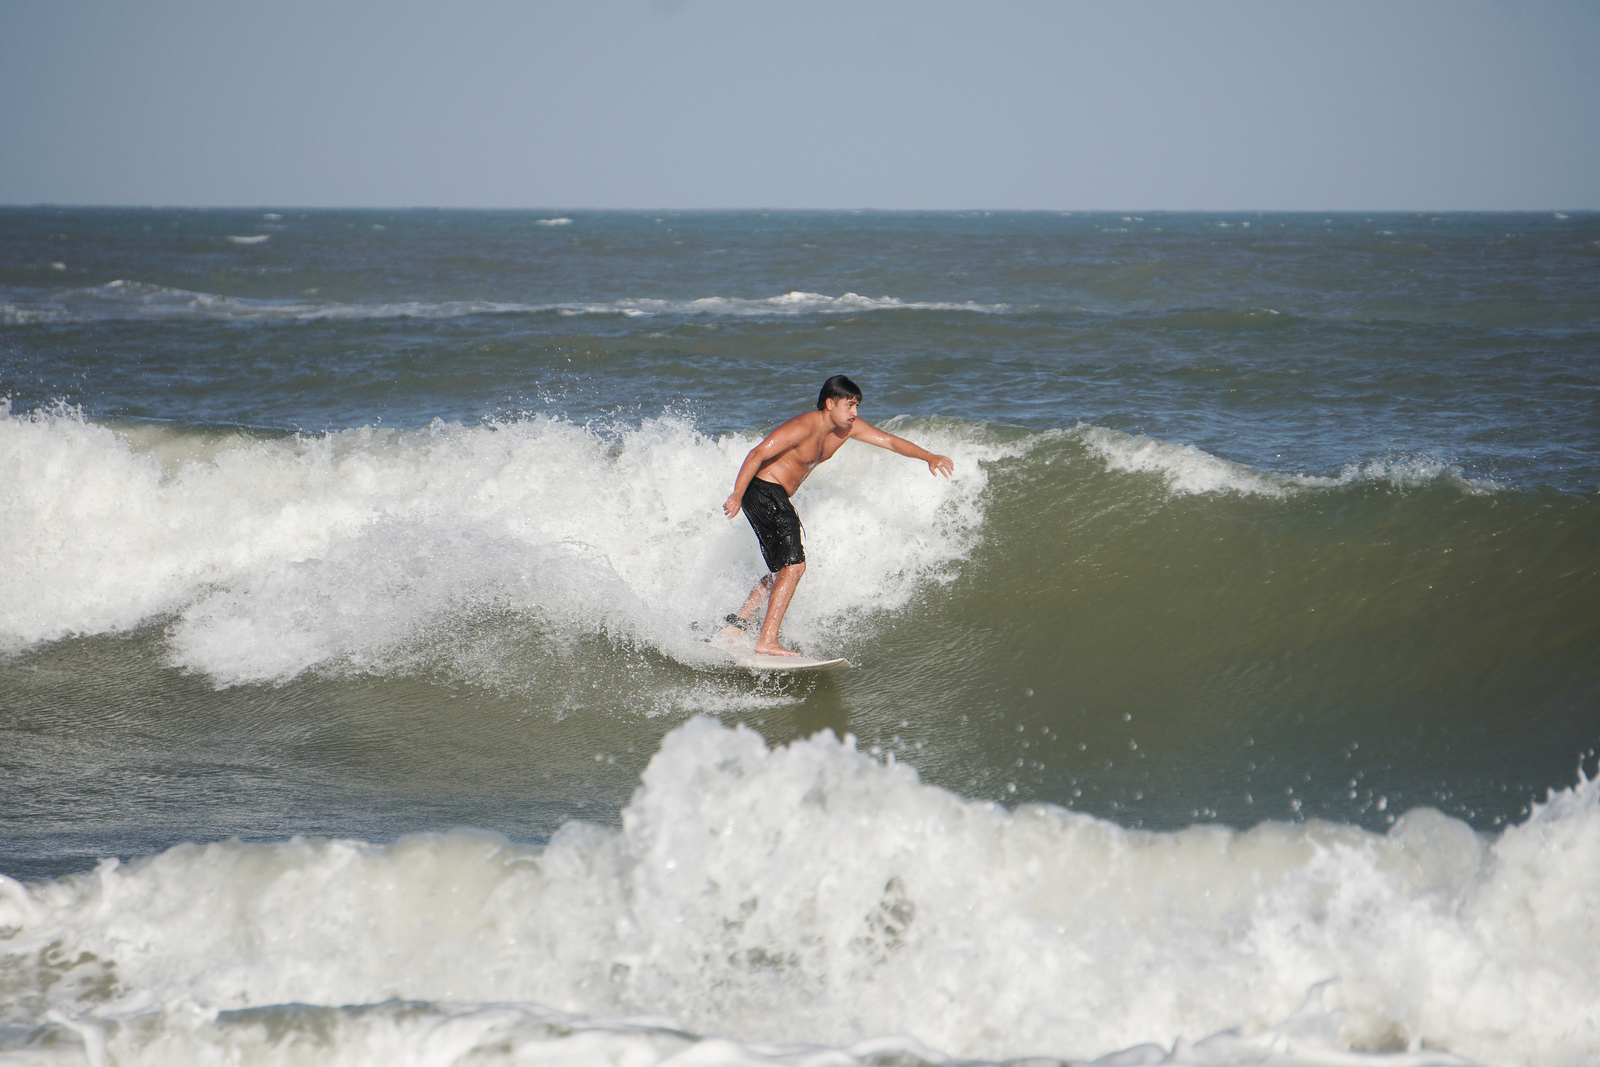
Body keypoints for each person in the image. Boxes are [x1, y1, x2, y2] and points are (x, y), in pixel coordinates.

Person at [720, 374, 954, 657]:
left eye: (857, 406)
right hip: (763, 491)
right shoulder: (803, 426)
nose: (855, 413)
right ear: (830, 404)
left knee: (783, 568)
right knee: (794, 567)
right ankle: (767, 641)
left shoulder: (847, 429)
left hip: (772, 496)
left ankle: (736, 626)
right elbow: (756, 453)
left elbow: (890, 442)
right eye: (850, 406)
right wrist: (736, 493)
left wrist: (928, 457)